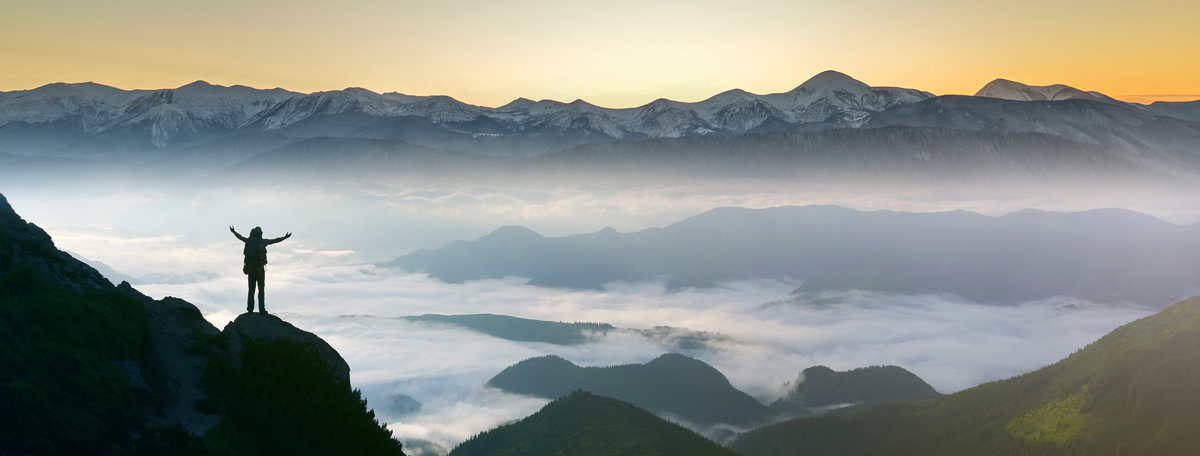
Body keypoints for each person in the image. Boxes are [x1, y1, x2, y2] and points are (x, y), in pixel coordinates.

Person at [230, 226, 291, 314]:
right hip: (259, 269)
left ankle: (250, 309)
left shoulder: (249, 241)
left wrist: (233, 231)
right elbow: (275, 240)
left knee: (251, 289)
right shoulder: (262, 242)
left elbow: (240, 237)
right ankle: (261, 309)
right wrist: (285, 237)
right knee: (261, 290)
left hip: (250, 268)